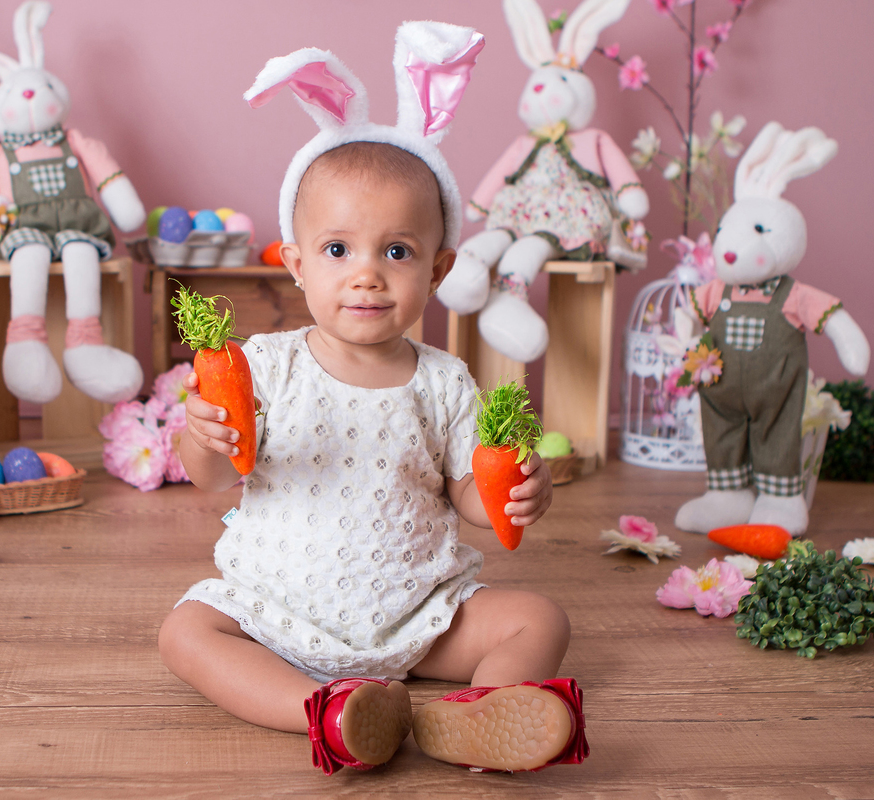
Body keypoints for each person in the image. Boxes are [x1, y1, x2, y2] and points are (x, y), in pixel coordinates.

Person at [159, 27, 588, 775]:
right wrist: (202, 435)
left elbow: (469, 498)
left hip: (419, 614)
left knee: (537, 617)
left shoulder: (446, 380)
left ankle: (479, 717)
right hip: (275, 613)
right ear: (295, 264)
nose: (367, 275)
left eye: (397, 251)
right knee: (187, 632)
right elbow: (212, 477)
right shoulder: (262, 365)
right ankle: (325, 711)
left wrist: (516, 491)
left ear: (440, 267)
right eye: (337, 250)